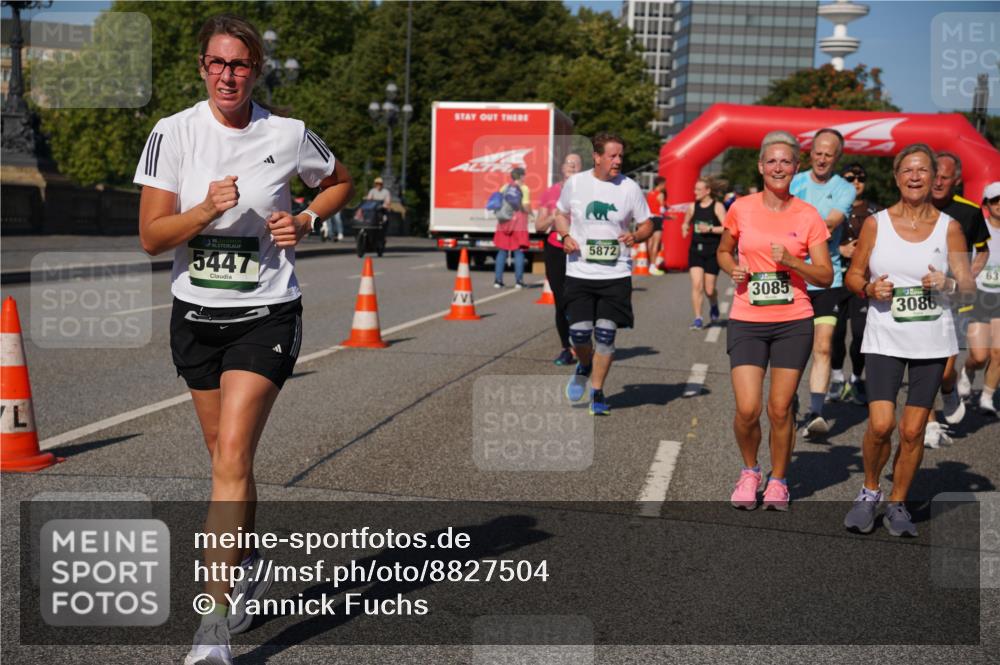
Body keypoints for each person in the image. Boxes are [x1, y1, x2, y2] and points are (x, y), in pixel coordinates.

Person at [135, 15, 353, 665]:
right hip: (196, 317)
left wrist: (308, 217)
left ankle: (213, 623)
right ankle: (248, 557)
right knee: (224, 459)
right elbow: (151, 236)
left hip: (266, 314)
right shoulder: (171, 133)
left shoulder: (285, 134)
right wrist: (204, 209)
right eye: (217, 63)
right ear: (202, 67)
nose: (228, 74)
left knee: (231, 457)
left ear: (257, 70)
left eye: (241, 64)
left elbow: (337, 178)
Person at [843, 143, 974, 537]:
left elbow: (968, 288)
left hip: (931, 341)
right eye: (907, 170)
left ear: (935, 179)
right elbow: (852, 275)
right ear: (897, 177)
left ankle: (897, 502)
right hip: (885, 337)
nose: (915, 177)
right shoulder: (876, 223)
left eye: (923, 171)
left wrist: (948, 281)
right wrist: (869, 288)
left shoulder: (949, 226)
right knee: (881, 425)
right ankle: (869, 491)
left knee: (913, 430)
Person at [717, 131, 832, 511]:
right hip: (748, 318)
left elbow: (825, 275)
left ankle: (779, 480)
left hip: (792, 320)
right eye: (772, 161)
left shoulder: (808, 215)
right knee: (747, 408)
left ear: (795, 168)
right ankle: (750, 471)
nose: (778, 167)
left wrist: (794, 263)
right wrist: (732, 269)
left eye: (786, 161)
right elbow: (723, 250)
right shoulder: (742, 208)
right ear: (761, 166)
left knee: (780, 409)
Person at [554, 132, 652, 416]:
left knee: (606, 335)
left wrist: (637, 235)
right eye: (612, 155)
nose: (618, 161)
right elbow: (560, 214)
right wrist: (565, 235)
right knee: (580, 334)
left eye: (621, 156)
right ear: (597, 157)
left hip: (616, 273)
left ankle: (597, 391)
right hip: (580, 271)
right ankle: (584, 365)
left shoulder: (629, 188)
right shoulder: (576, 184)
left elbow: (648, 223)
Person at [790, 128, 856, 438]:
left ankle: (816, 412)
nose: (822, 159)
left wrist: (794, 226)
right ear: (810, 152)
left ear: (837, 157)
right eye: (818, 152)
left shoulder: (844, 189)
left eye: (829, 154)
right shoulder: (794, 181)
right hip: (791, 278)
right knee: (793, 349)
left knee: (823, 345)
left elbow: (829, 224)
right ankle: (787, 397)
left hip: (828, 279)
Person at [923, 151, 992, 445]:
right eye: (934, 175)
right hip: (922, 297)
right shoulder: (914, 205)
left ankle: (949, 391)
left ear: (957, 180)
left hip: (955, 298)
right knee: (924, 364)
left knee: (950, 366)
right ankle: (929, 423)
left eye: (944, 177)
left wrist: (968, 276)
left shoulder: (968, 212)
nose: (937, 182)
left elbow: (984, 250)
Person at [829, 163, 882, 404]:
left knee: (861, 334)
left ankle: (856, 379)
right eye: (850, 178)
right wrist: (840, 250)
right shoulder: (832, 207)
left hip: (862, 281)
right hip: (835, 279)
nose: (856, 181)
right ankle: (837, 377)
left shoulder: (876, 211)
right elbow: (814, 237)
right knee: (836, 333)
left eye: (861, 177)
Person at [536, 152, 584, 364]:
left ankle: (582, 343)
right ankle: (567, 347)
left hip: (579, 251)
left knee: (579, 300)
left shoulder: (587, 192)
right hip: (555, 250)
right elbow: (538, 226)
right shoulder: (550, 193)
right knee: (561, 301)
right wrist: (553, 215)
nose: (572, 166)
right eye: (569, 163)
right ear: (562, 168)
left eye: (577, 164)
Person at [960, 181, 1000, 415]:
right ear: (986, 204)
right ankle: (967, 371)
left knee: (998, 353)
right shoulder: (978, 226)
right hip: (980, 295)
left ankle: (987, 396)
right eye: (995, 200)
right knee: (979, 355)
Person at [681, 177, 727, 329]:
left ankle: (713, 303)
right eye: (695, 189)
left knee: (709, 289)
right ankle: (698, 318)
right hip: (696, 251)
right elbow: (686, 221)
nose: (695, 192)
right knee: (696, 284)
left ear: (707, 191)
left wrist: (710, 229)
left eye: (698, 190)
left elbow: (727, 228)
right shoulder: (693, 207)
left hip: (712, 252)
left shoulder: (718, 207)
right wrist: (685, 227)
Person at [493, 167, 532, 288]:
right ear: (520, 176)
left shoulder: (504, 187)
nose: (525, 177)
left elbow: (498, 204)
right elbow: (525, 206)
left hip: (504, 222)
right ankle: (518, 282)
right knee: (519, 251)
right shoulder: (524, 189)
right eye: (524, 175)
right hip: (518, 223)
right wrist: (531, 214)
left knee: (502, 251)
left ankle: (497, 281)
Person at [646, 176, 667, 275]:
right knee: (656, 243)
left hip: (649, 218)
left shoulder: (649, 194)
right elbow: (662, 210)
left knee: (650, 242)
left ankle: (650, 264)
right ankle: (653, 266)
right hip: (657, 219)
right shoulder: (661, 194)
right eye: (664, 184)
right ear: (661, 184)